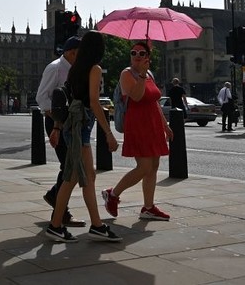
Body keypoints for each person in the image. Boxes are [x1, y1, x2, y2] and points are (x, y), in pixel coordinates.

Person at [46, 30, 120, 243]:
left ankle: (96, 225)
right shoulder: (94, 69)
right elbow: (95, 103)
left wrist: (58, 127)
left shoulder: (75, 69)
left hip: (74, 126)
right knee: (72, 178)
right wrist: (109, 133)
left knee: (87, 177)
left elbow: (66, 98)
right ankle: (55, 225)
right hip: (81, 127)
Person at [102, 41, 174, 222]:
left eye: (142, 53)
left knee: (154, 166)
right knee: (144, 167)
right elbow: (136, 96)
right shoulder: (127, 74)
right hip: (138, 124)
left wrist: (165, 124)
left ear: (148, 57)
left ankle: (148, 207)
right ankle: (113, 194)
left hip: (153, 123)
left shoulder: (149, 74)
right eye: (133, 52)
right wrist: (141, 75)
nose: (137, 56)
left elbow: (155, 101)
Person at [35, 36, 85, 228]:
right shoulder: (55, 68)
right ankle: (60, 211)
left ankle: (55, 197)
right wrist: (59, 117)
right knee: (68, 167)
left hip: (70, 123)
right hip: (56, 122)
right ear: (72, 52)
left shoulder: (74, 69)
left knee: (69, 166)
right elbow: (42, 98)